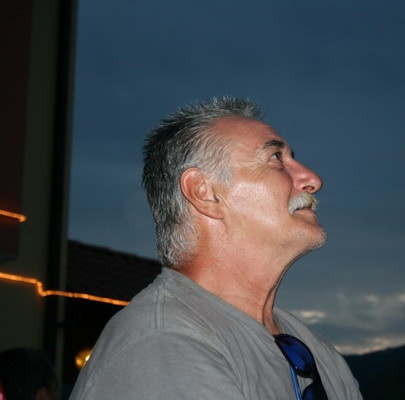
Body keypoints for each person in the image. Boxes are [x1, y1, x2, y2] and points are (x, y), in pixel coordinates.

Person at [69, 97, 363, 399]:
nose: (313, 180)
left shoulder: (317, 352)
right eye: (276, 157)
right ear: (205, 193)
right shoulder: (165, 345)